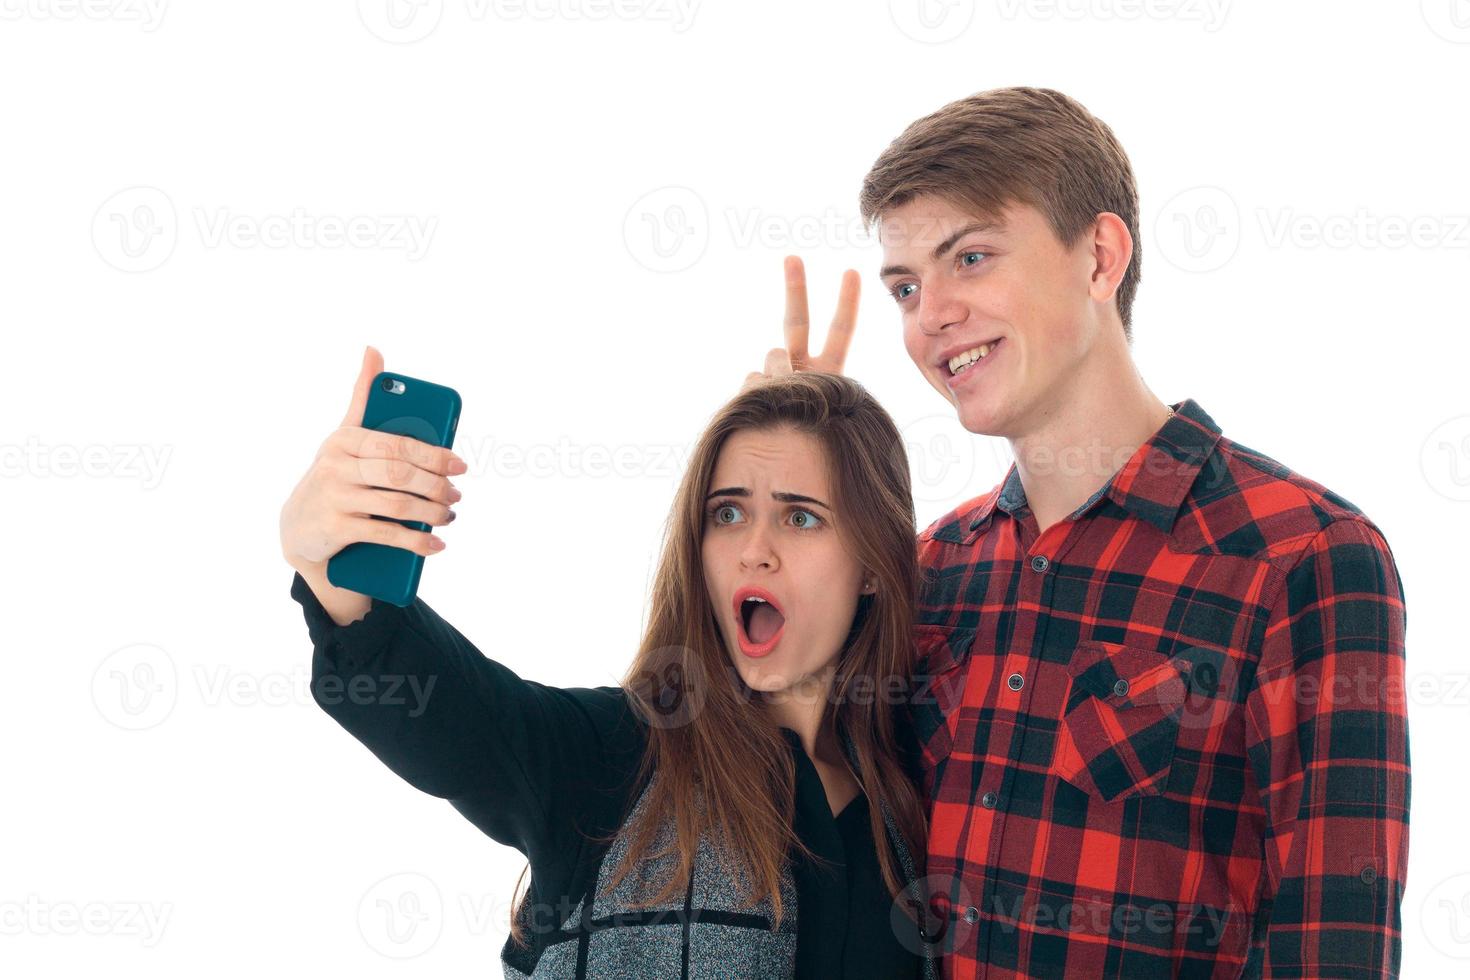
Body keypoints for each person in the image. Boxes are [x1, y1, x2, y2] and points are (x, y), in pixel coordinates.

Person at [752, 86, 1410, 977]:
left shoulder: (1302, 556)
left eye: (971, 258)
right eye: (907, 287)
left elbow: (1334, 946)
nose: (929, 316)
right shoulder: (929, 569)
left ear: (1100, 258)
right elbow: (757, 779)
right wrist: (789, 479)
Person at [279, 347, 938, 978]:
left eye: (800, 518)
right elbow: (452, 713)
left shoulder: (916, 786)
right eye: (729, 512)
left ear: (873, 565)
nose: (754, 550)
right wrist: (331, 569)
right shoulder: (615, 757)